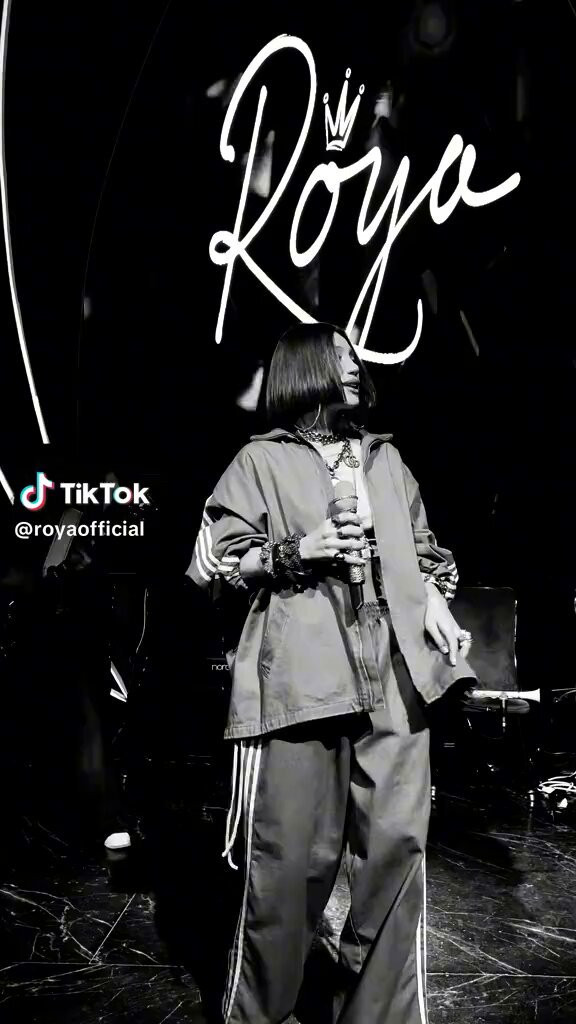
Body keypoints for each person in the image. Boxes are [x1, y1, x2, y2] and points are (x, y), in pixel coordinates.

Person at [187, 322, 474, 1024]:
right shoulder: (260, 460)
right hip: (302, 674)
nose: (352, 364)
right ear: (302, 368)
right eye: (337, 354)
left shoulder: (385, 458)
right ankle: (262, 1014)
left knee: (394, 857)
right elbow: (217, 565)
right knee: (289, 866)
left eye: (353, 355)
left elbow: (423, 550)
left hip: (396, 673)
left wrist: (436, 599)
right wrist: (298, 549)